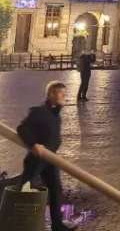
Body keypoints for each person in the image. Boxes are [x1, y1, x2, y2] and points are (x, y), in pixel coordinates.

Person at [16, 81, 72, 231]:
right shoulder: (38, 111)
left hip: (50, 160)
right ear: (51, 94)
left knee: (55, 191)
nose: (64, 96)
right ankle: (16, 223)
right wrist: (34, 145)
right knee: (25, 190)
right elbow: (22, 128)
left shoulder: (56, 116)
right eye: (61, 93)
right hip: (36, 160)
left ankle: (57, 226)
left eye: (64, 94)